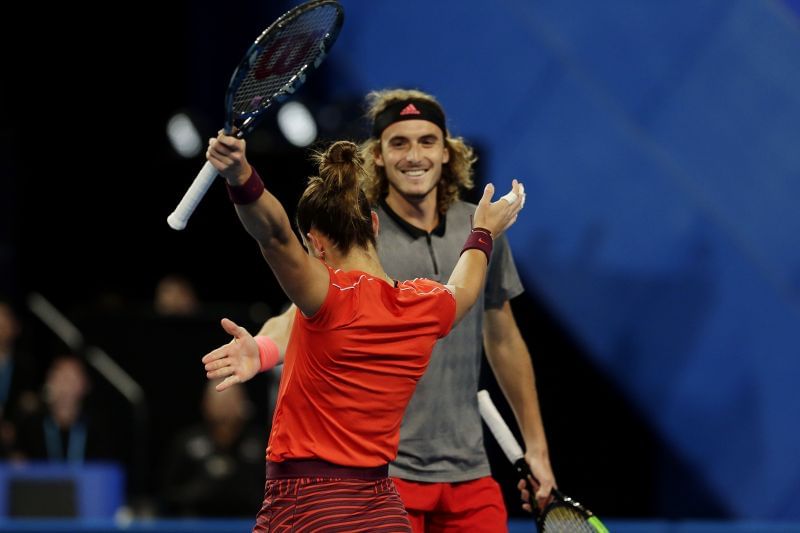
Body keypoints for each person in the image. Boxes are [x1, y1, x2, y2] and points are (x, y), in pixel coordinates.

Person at [224, 88, 557, 531]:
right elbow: (464, 287)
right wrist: (483, 234)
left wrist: (240, 174)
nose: (413, 155)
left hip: (319, 501)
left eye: (426, 141)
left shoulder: (326, 293)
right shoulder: (425, 303)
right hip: (386, 494)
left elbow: (274, 234)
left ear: (316, 245)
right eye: (399, 142)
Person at [160, 380, 265, 517]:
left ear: (244, 403)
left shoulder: (261, 444)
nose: (225, 408)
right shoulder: (186, 443)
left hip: (250, 524)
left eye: (230, 400)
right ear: (205, 404)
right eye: (219, 400)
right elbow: (167, 494)